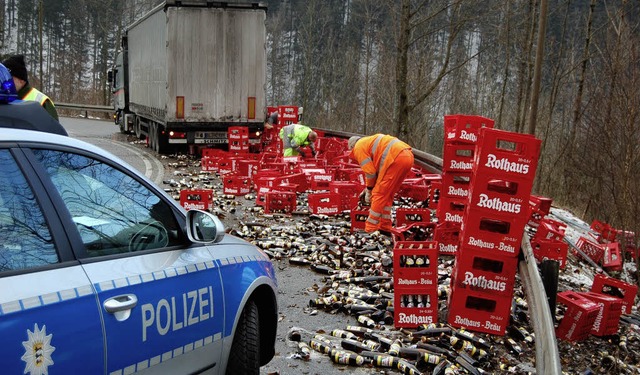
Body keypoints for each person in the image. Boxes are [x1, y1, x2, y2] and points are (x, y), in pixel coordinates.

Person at [348, 134, 414, 235]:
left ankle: (370, 229)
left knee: (378, 194)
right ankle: (385, 227)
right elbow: (376, 172)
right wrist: (368, 188)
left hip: (395, 158)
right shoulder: (367, 142)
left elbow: (370, 173)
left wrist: (369, 190)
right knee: (387, 194)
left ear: (352, 147)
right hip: (407, 156)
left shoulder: (358, 148)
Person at [1, 54, 59, 120]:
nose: (5, 81)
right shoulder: (3, 97)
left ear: (21, 81)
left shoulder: (42, 102)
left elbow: (52, 128)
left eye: (9, 78)